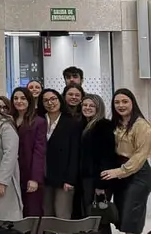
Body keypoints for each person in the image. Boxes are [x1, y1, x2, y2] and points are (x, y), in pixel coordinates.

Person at [100, 89, 151, 234]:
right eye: (117, 102)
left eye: (125, 101)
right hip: (120, 174)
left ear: (132, 103)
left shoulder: (141, 126)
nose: (120, 105)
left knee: (132, 216)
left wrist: (119, 171)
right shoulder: (115, 124)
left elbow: (140, 156)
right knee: (122, 214)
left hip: (138, 173)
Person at [78, 94, 115, 233]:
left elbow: (107, 157)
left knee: (99, 217)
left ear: (98, 108)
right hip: (87, 178)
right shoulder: (85, 125)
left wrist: (101, 185)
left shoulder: (104, 126)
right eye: (85, 105)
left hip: (98, 180)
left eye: (91, 105)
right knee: (91, 216)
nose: (87, 108)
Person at [39, 88, 79, 219]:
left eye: (53, 99)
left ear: (60, 100)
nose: (50, 103)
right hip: (44, 176)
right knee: (47, 214)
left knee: (62, 214)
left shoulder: (71, 123)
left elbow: (75, 153)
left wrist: (70, 179)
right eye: (45, 100)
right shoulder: (39, 121)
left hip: (64, 178)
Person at [10, 86, 45, 217]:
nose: (19, 101)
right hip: (12, 171)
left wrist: (35, 178)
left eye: (23, 98)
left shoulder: (38, 122)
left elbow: (39, 151)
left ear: (29, 100)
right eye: (15, 98)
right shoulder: (8, 120)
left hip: (29, 171)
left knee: (32, 211)